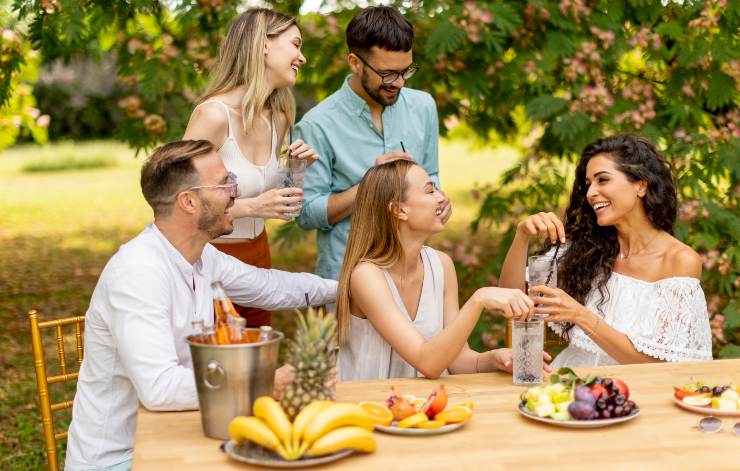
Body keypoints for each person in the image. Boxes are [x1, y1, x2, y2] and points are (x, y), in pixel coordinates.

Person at [65, 140, 337, 471]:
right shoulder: (138, 273)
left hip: (184, 433)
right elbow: (160, 389)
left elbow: (272, 287)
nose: (235, 193)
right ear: (189, 202)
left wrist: (348, 289)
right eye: (225, 183)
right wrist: (267, 384)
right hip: (121, 458)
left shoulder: (201, 255)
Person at [499, 134, 713, 367]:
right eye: (589, 183)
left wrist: (580, 315)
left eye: (603, 180)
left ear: (640, 185)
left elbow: (659, 365)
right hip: (570, 382)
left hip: (634, 393)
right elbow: (510, 299)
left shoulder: (679, 261)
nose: (591, 193)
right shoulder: (587, 248)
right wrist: (522, 238)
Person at [336, 159, 550, 381]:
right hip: (368, 408)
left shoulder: (441, 265)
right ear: (399, 210)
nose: (442, 198)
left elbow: (457, 361)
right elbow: (428, 363)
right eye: (430, 191)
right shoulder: (366, 276)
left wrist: (494, 358)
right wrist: (479, 299)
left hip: (422, 407)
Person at [183, 8, 318, 327]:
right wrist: (253, 206)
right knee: (216, 364)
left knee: (256, 363)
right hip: (208, 259)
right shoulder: (214, 116)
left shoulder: (281, 115)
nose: (302, 58)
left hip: (259, 257)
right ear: (264, 45)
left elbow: (286, 208)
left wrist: (297, 171)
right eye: (296, 44)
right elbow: (179, 200)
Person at [296, 6, 451, 281]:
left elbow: (432, 174)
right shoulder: (315, 125)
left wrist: (437, 198)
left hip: (414, 275)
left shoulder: (423, 106)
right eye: (388, 74)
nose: (400, 82)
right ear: (355, 62)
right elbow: (306, 213)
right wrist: (371, 187)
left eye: (406, 71)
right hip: (348, 278)